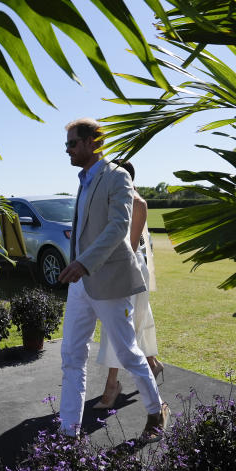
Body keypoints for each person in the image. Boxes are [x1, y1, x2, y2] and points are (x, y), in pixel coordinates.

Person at [57, 118, 169, 442]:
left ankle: (155, 411)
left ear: (94, 142)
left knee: (129, 353)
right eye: (66, 145)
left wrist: (83, 263)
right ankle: (68, 431)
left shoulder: (117, 177)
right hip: (81, 286)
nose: (68, 151)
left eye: (72, 144)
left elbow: (119, 226)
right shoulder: (83, 181)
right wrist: (77, 266)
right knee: (72, 356)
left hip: (108, 282)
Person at [93, 159, 162, 410]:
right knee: (135, 321)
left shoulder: (137, 203)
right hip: (116, 268)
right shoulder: (112, 201)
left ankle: (112, 385)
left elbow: (129, 250)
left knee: (118, 325)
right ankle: (152, 363)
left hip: (128, 269)